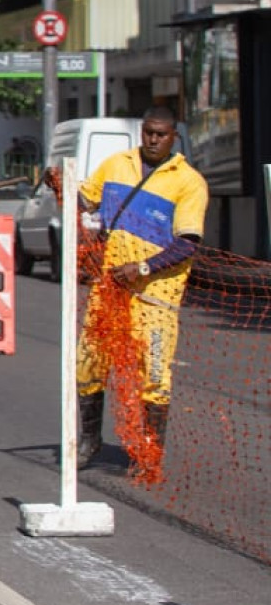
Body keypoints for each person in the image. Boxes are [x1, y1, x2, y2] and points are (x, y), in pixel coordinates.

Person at [54, 105, 206, 463]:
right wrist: (60, 185)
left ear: (173, 137)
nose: (153, 140)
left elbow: (187, 243)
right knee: (88, 363)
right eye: (148, 132)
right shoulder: (116, 164)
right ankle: (89, 441)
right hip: (109, 290)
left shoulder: (189, 182)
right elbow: (85, 202)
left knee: (154, 375)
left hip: (156, 298)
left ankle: (149, 453)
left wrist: (142, 268)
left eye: (161, 135)